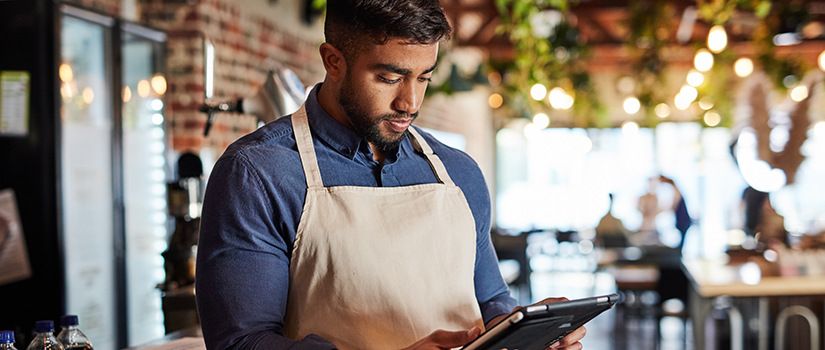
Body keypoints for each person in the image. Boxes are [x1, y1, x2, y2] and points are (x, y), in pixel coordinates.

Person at [195, 1, 586, 349]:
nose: (410, 102)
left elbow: (489, 301)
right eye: (389, 78)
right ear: (333, 61)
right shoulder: (257, 173)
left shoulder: (458, 171)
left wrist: (524, 331)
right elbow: (241, 341)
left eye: (424, 78)